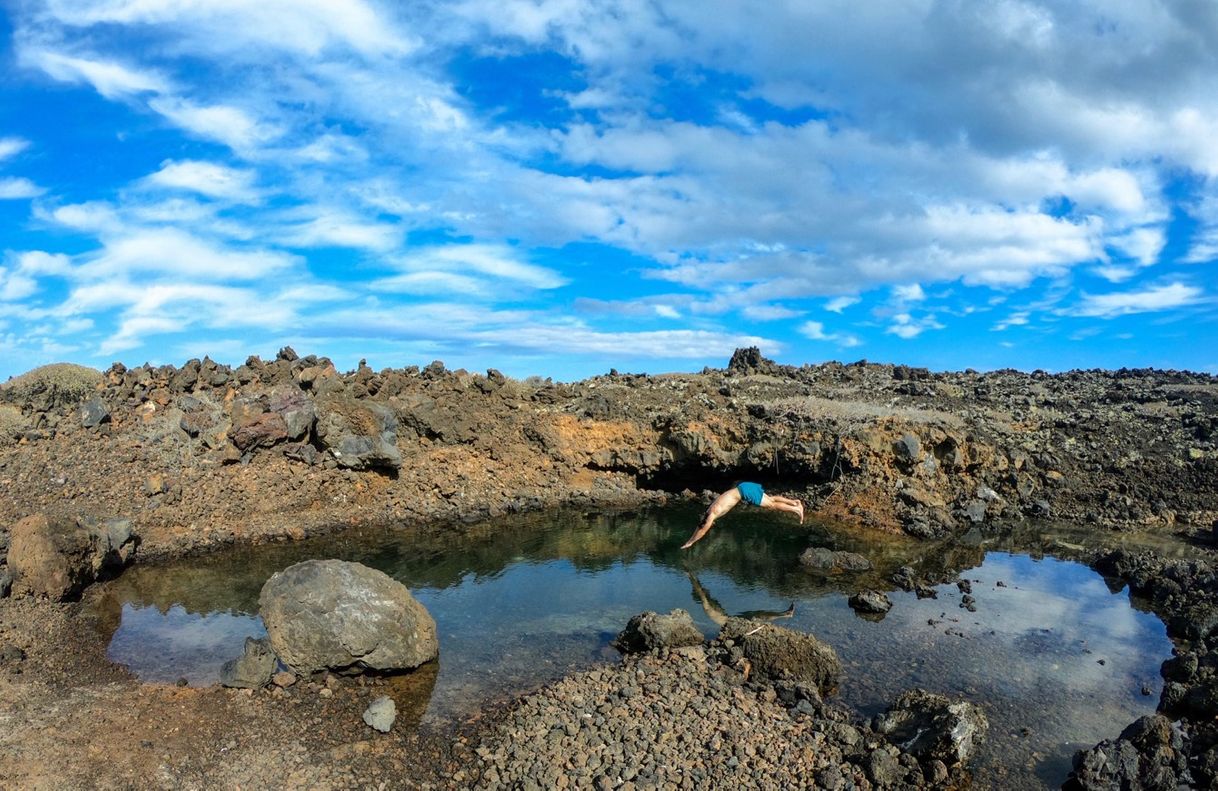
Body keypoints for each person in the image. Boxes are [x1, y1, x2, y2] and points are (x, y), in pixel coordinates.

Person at [680, 481, 804, 549]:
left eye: (709, 523)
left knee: (771, 505)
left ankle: (796, 509)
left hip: (745, 492)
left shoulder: (712, 514)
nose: (711, 524)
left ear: (707, 520)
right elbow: (700, 527)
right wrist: (689, 539)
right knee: (770, 499)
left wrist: (691, 542)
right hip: (744, 486)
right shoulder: (709, 511)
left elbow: (703, 530)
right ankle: (794, 502)